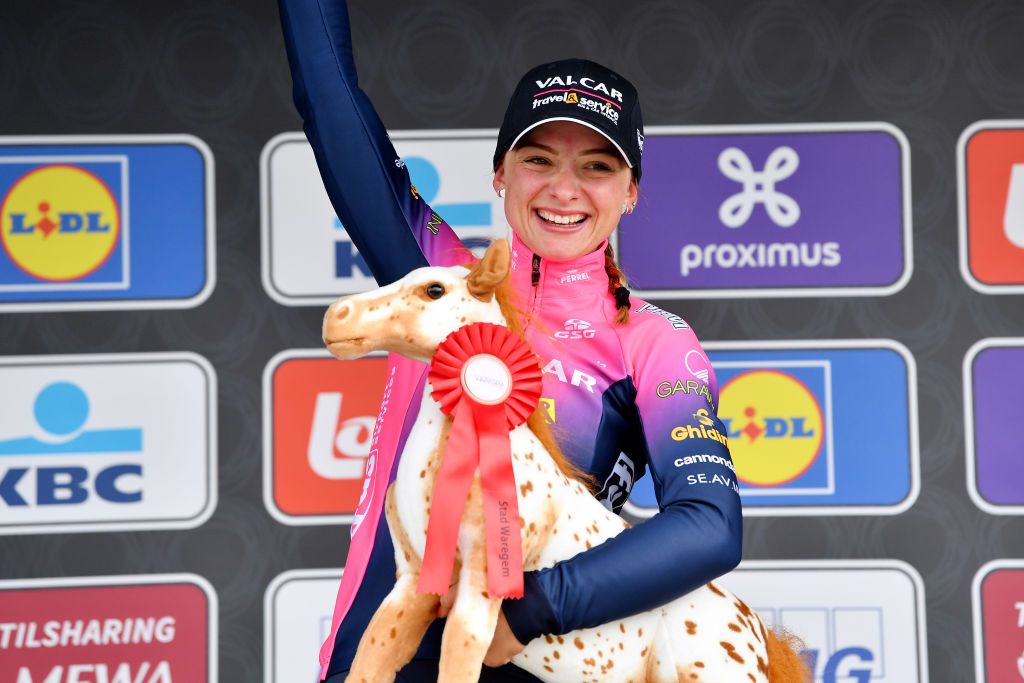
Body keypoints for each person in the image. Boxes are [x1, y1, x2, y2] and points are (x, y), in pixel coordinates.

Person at [278, 1, 742, 681]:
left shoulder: (651, 340)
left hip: (531, 659)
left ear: (632, 191)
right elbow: (326, 94)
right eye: (538, 158)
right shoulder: (435, 278)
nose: (563, 188)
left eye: (597, 167)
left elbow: (710, 524)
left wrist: (528, 612)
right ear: (500, 173)